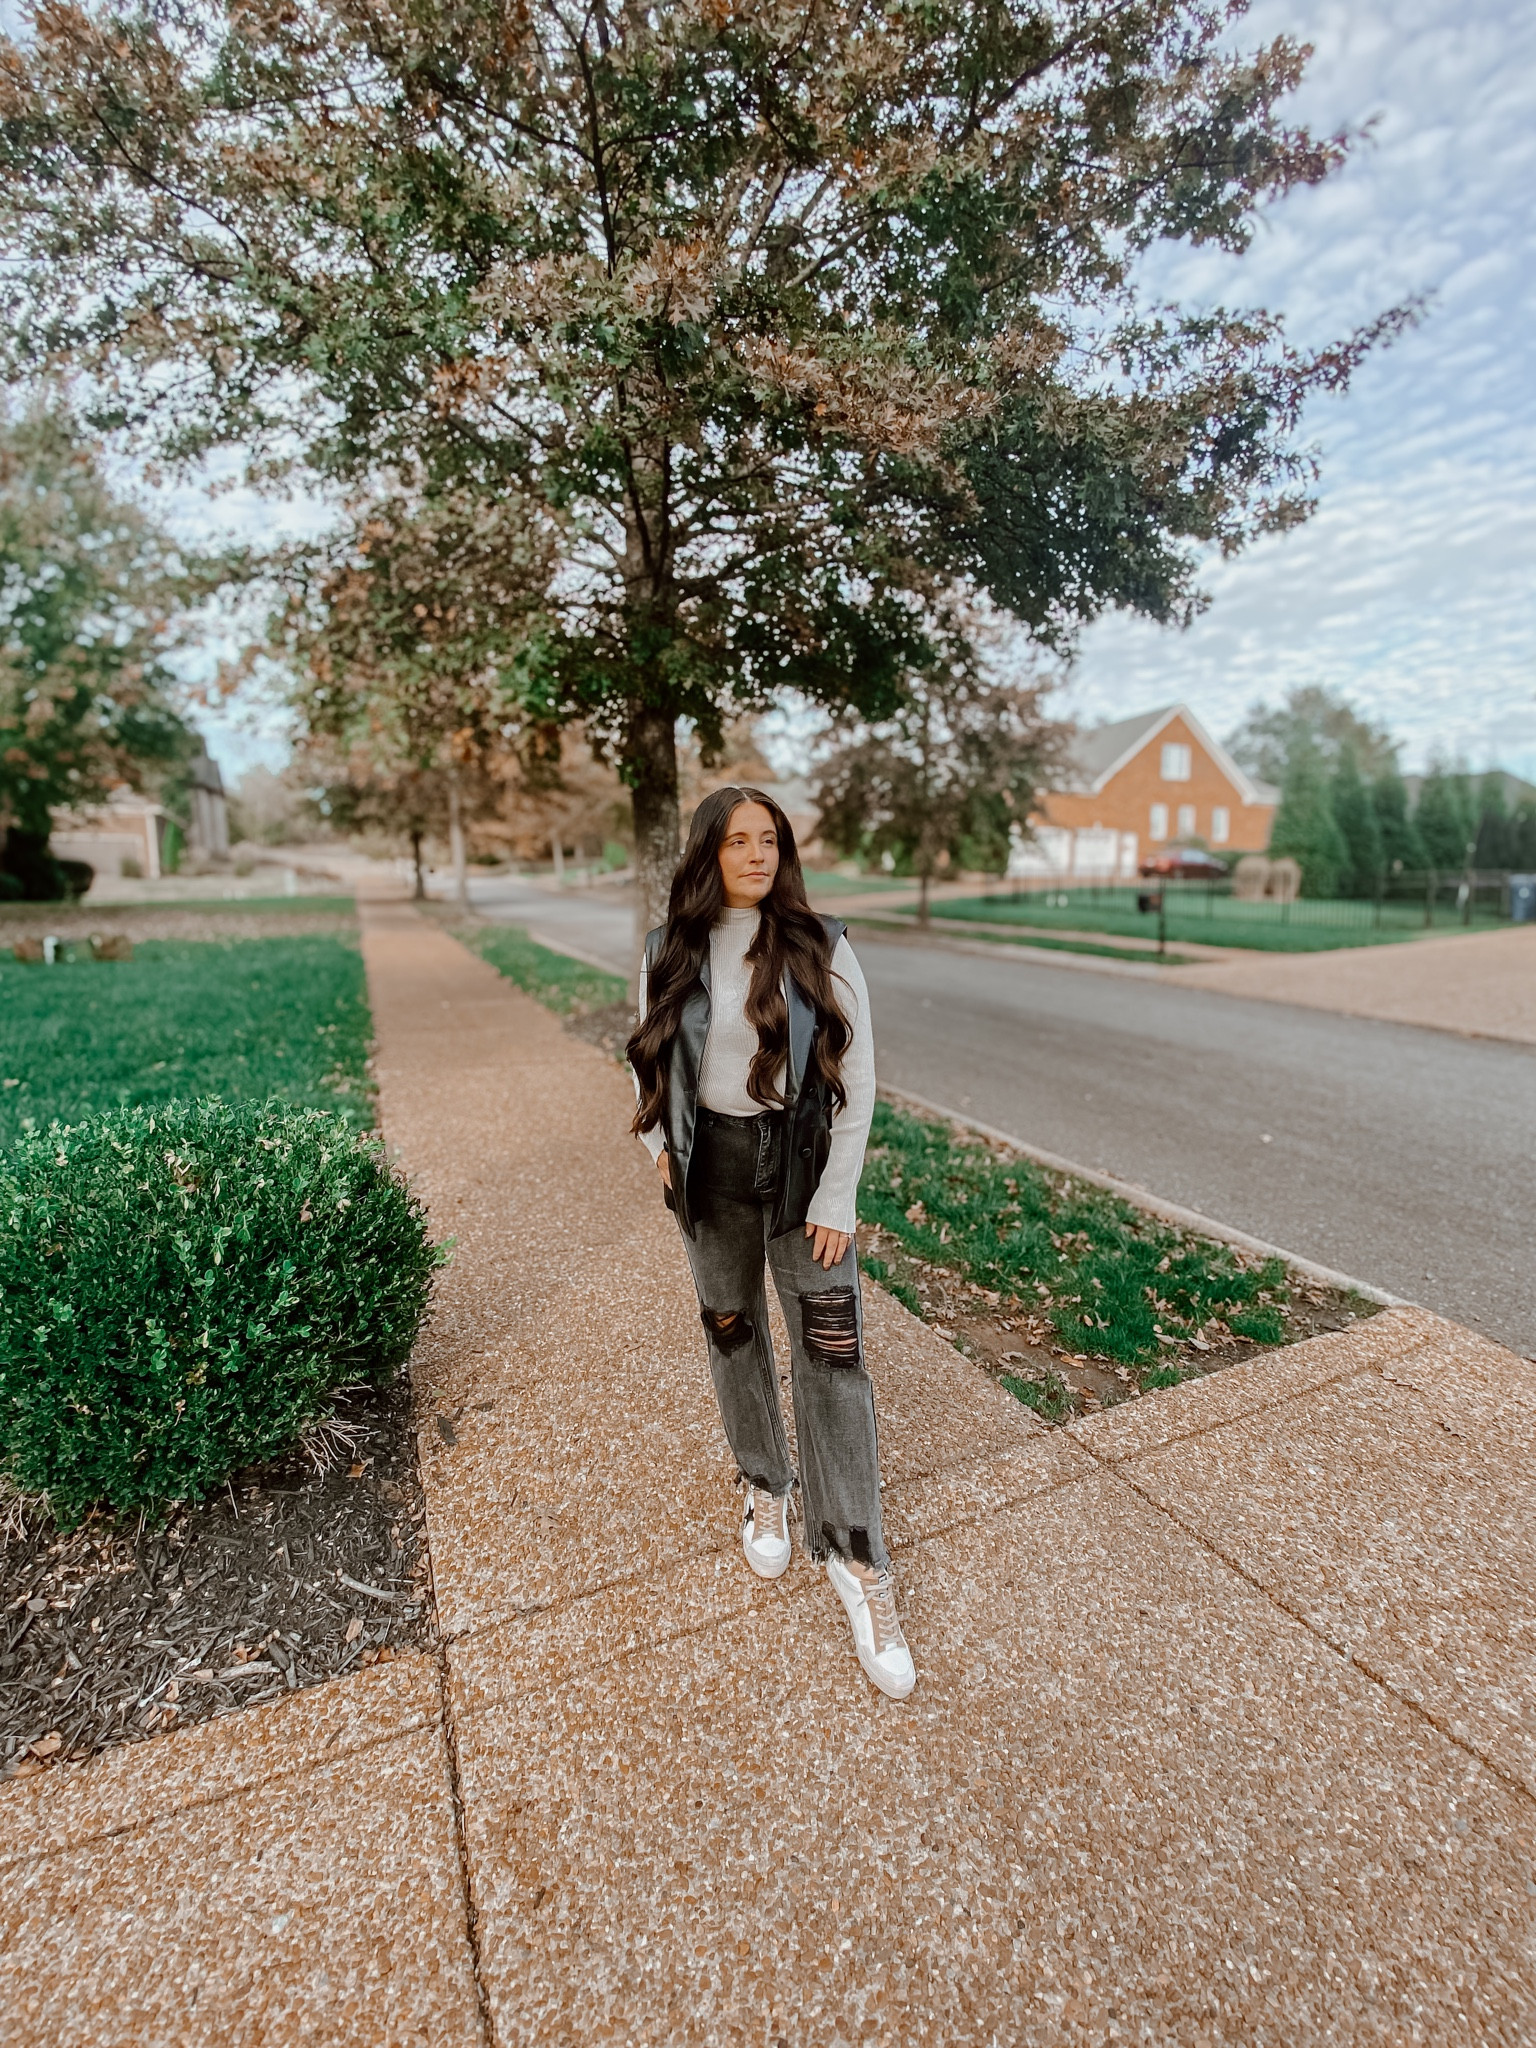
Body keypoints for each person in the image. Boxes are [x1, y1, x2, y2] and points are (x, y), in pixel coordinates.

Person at [627, 785, 915, 1700]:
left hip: (799, 1172)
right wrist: (657, 1148)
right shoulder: (667, 948)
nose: (757, 854)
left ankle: (857, 1552)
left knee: (832, 1351)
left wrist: (839, 1193)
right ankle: (766, 1483)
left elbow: (858, 1078)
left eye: (770, 840)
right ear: (709, 853)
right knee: (732, 1330)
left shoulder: (820, 946)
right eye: (738, 840)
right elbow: (646, 1050)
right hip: (707, 1170)